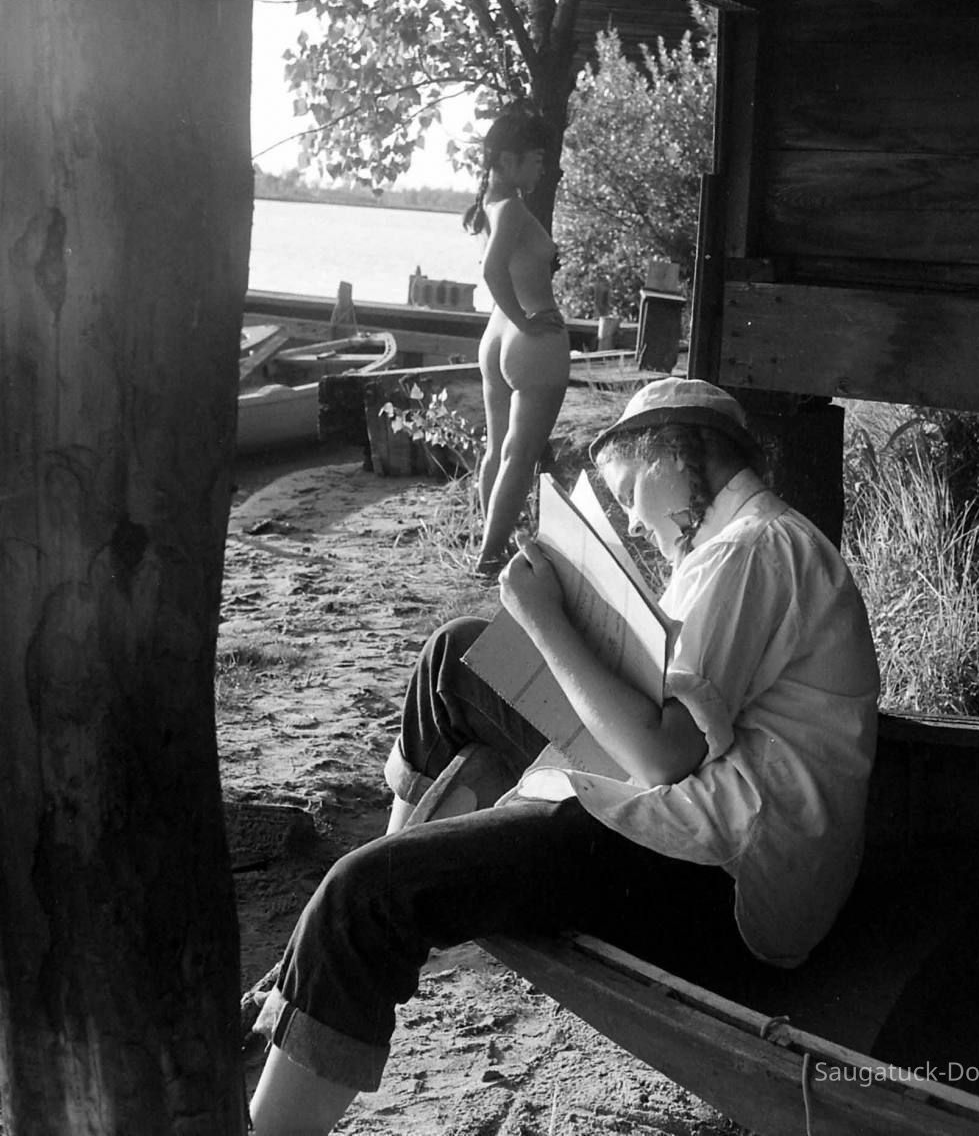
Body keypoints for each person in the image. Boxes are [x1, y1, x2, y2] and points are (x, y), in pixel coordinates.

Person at [248, 378, 880, 1135]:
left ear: (674, 453)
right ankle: (378, 902)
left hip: (725, 874)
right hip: (712, 821)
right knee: (458, 655)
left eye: (630, 492)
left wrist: (547, 621)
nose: (635, 522)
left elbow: (660, 756)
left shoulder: (752, 551)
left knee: (363, 895)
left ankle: (329, 992)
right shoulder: (745, 543)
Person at [464, 100, 570, 578]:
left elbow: (504, 267)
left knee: (498, 451)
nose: (544, 167)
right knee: (519, 455)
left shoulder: (491, 205)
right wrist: (526, 322)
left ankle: (492, 543)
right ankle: (490, 557)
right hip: (528, 339)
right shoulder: (509, 207)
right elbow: (492, 272)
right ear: (508, 160)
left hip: (496, 337)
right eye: (537, 158)